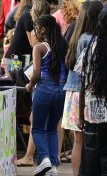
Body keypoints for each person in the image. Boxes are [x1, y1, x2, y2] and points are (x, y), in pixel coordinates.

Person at [62, 1, 103, 175]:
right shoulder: (91, 39)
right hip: (84, 94)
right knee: (86, 141)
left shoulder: (78, 35)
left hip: (74, 92)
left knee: (78, 141)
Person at [26, 14, 68, 175]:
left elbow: (36, 73)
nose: (35, 32)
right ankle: (53, 167)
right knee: (51, 129)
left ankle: (44, 159)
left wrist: (30, 86)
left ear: (43, 29)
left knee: (37, 128)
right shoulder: (64, 45)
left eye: (36, 29)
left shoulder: (39, 47)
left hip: (44, 88)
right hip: (61, 90)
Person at [75, 7, 107, 176]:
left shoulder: (89, 48)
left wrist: (80, 116)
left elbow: (82, 85)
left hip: (92, 117)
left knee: (89, 163)